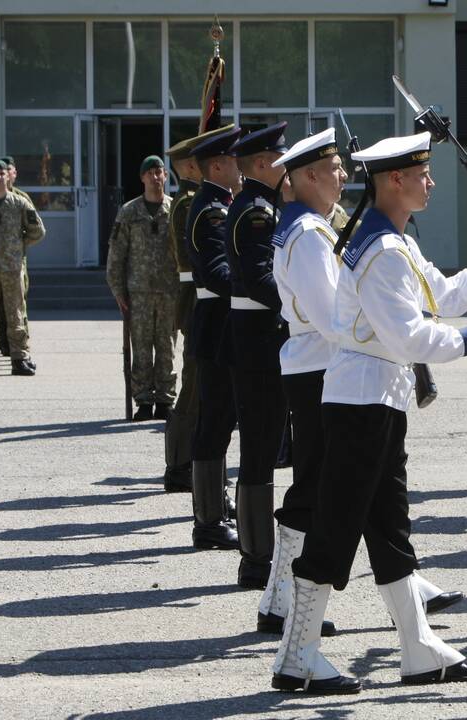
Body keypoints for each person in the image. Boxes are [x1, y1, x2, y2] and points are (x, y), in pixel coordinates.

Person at [270, 129, 467, 693]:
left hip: (377, 399)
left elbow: (442, 294)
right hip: (362, 403)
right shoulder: (383, 250)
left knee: (390, 533)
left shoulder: (393, 242)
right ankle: (297, 657)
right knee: (335, 531)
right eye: (421, 174)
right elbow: (414, 339)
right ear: (393, 182)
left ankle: (418, 647)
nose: (430, 183)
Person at [261, 129, 462, 639]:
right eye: (332, 168)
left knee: (373, 491)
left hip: (330, 366)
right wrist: (388, 329)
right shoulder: (308, 234)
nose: (343, 175)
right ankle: (282, 596)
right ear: (307, 176)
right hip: (322, 367)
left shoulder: (318, 228)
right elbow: (334, 319)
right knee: (322, 490)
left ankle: (403, 582)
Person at [220, 123, 292, 589]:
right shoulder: (256, 213)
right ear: (263, 164)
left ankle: (257, 555)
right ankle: (256, 558)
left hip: (258, 335)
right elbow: (260, 278)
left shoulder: (258, 206)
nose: (286, 165)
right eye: (280, 157)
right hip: (257, 338)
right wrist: (301, 305)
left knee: (263, 444)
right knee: (260, 447)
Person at [162, 124, 236, 492]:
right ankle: (178, 464)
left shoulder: (193, 198)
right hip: (197, 296)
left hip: (196, 294)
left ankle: (184, 461)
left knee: (200, 386)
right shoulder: (194, 201)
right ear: (191, 168)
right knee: (195, 387)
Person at [185, 126, 244, 550]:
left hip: (225, 323)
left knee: (223, 420)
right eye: (235, 160)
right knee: (214, 423)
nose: (241, 168)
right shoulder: (211, 211)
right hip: (216, 323)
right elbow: (216, 274)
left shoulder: (221, 204)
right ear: (218, 165)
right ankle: (207, 521)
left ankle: (216, 504)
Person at [105, 156, 178, 421]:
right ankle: (144, 401)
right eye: (150, 173)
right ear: (142, 178)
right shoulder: (129, 212)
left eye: (159, 172)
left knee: (167, 347)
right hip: (139, 293)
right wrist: (118, 291)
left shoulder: (174, 209)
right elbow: (116, 255)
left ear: (166, 177)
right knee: (142, 348)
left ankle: (165, 400)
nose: (156, 177)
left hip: (169, 291)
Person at [0, 158, 44, 375]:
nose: (0, 177)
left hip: (12, 269)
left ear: (8, 176)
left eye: (3, 173)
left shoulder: (20, 203)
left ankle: (19, 358)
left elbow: (38, 231)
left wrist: (19, 246)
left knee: (16, 314)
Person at [0, 155, 34, 358]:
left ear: (14, 173)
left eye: (8, 171)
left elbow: (35, 229)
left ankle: (19, 348)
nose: (5, 175)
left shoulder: (21, 199)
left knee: (18, 305)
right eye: (0, 172)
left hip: (15, 262)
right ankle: (2, 342)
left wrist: (17, 245)